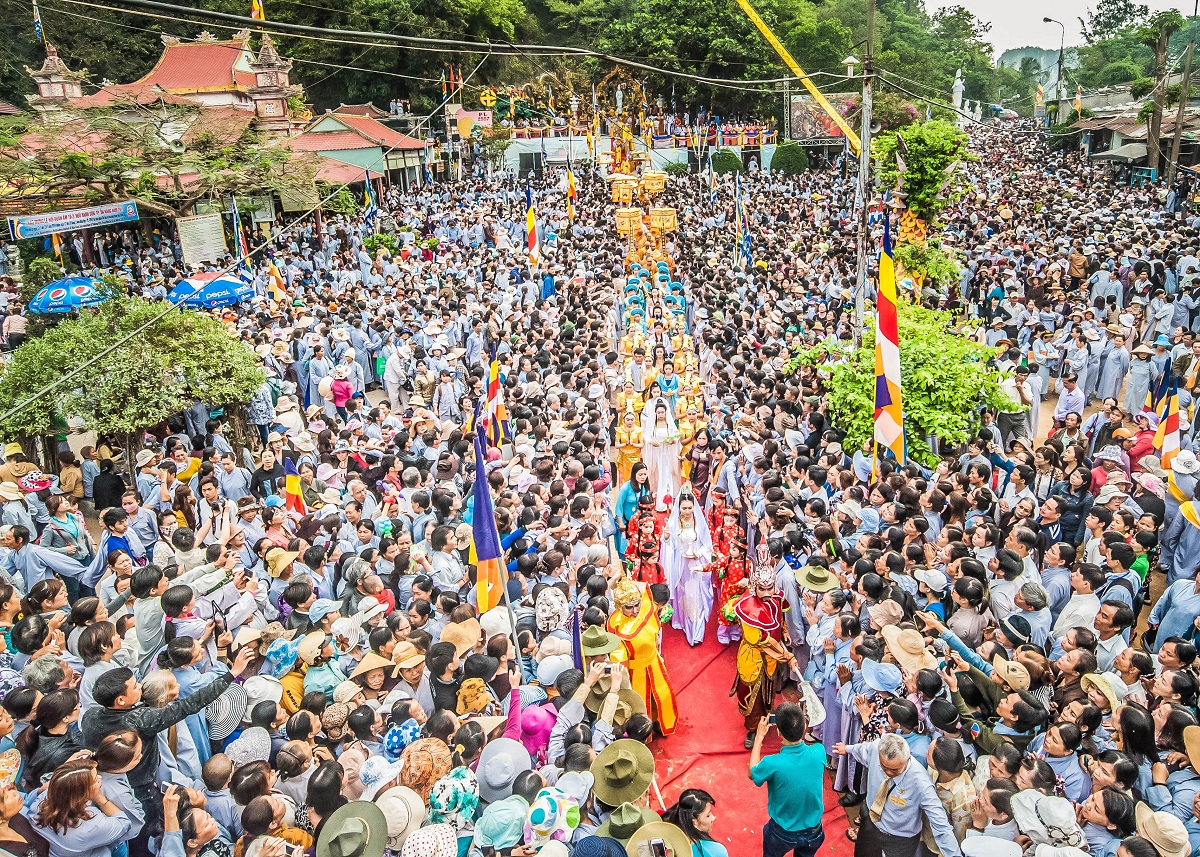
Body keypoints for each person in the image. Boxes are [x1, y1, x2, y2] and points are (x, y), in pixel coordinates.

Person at [748, 701, 826, 857]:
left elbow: (752, 773)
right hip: (814, 831)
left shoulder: (772, 763)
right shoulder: (819, 751)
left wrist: (759, 737)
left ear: (779, 732)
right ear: (805, 727)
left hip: (782, 832)